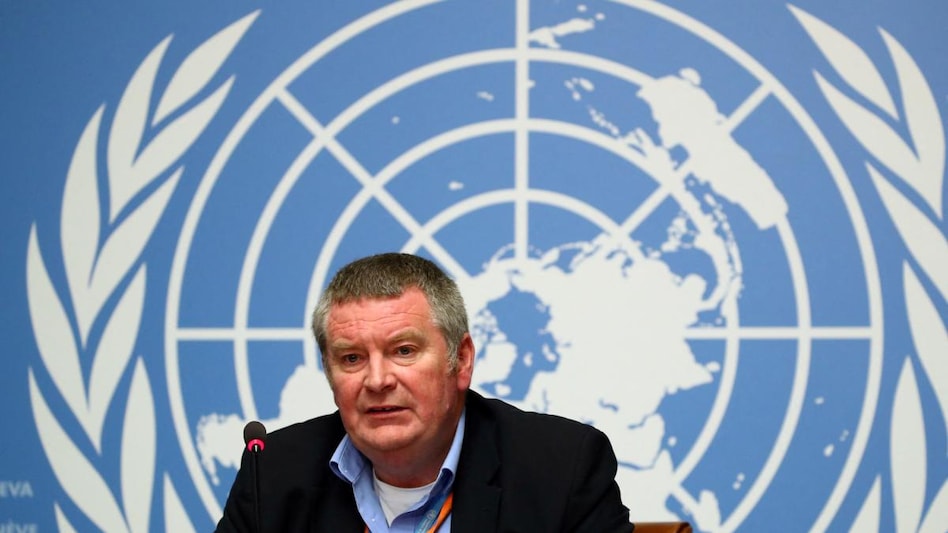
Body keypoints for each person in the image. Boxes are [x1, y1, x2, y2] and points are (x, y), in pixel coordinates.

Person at [216, 253, 633, 532]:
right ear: (329, 372)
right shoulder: (272, 474)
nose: (377, 380)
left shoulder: (560, 470)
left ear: (461, 360)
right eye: (352, 358)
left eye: (403, 351)